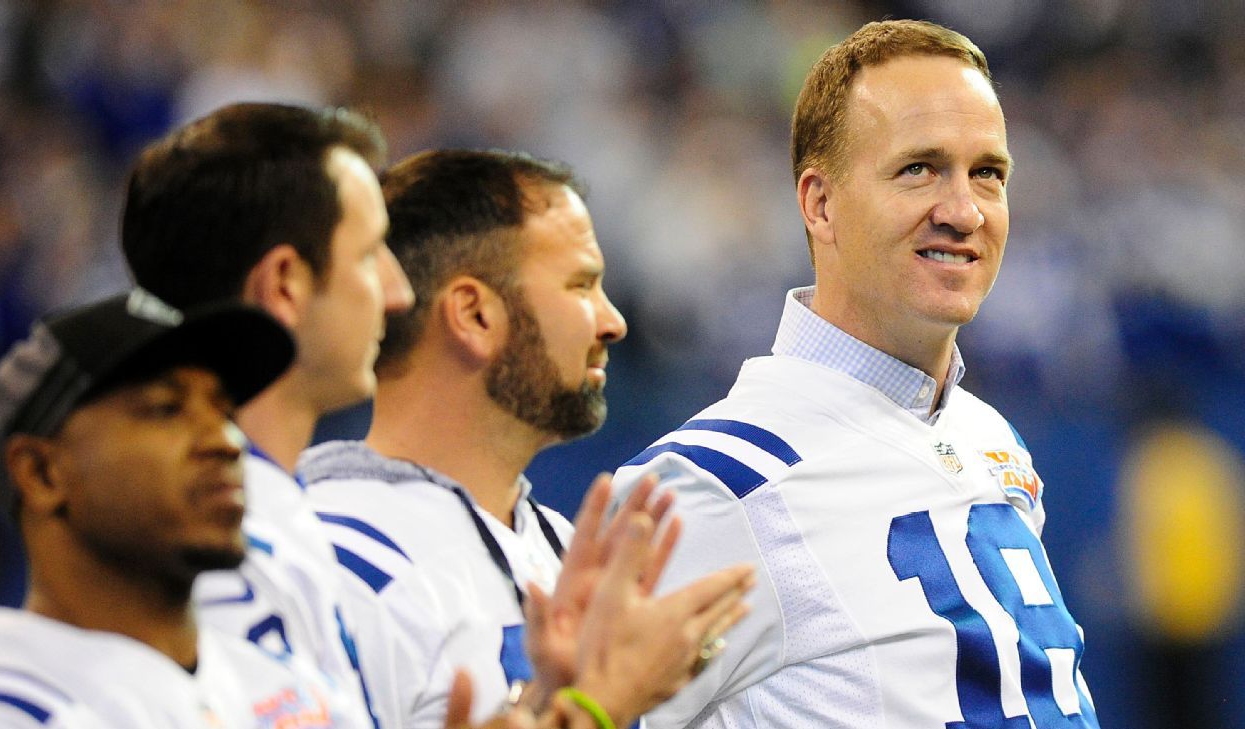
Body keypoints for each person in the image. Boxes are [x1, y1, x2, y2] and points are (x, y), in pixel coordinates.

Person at [610, 19, 1101, 728]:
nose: (963, 210)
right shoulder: (712, 485)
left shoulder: (990, 435)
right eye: (918, 168)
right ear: (819, 203)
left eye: (987, 173)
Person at [298, 149, 751, 727]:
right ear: (475, 315)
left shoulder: (559, 549)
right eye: (581, 285)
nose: (612, 321)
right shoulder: (334, 561)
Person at [0, 288, 369, 727]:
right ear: (41, 473)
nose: (226, 441)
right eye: (167, 409)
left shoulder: (286, 688)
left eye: (225, 411)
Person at [120, 102, 415, 728]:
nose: (399, 292)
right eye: (369, 255)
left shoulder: (260, 513)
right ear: (284, 284)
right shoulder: (210, 542)